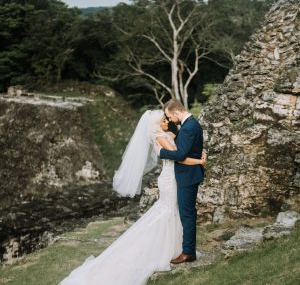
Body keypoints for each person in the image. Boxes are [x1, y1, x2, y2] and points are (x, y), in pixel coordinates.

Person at [59, 109, 206, 285]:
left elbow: (181, 146)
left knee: (173, 211)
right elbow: (179, 157)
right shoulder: (159, 137)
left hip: (174, 178)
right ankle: (162, 250)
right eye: (164, 119)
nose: (167, 121)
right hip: (169, 179)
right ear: (156, 123)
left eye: (167, 118)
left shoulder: (166, 134)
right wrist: (199, 161)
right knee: (168, 212)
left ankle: (178, 248)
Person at [159, 99, 205, 264]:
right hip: (189, 174)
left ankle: (188, 252)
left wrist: (162, 153)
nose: (170, 120)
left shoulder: (189, 127)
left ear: (176, 112)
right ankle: (187, 249)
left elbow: (180, 155)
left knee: (187, 214)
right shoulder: (190, 124)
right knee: (187, 213)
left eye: (170, 116)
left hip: (188, 176)